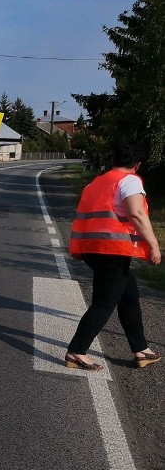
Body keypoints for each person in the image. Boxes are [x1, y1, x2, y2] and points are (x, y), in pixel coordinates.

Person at [65, 143, 162, 370]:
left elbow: (84, 218)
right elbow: (136, 213)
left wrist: (80, 247)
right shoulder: (129, 180)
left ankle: (141, 349)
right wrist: (154, 245)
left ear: (112, 161)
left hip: (93, 248)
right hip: (113, 250)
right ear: (137, 165)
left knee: (129, 296)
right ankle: (76, 352)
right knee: (103, 303)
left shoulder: (95, 183)